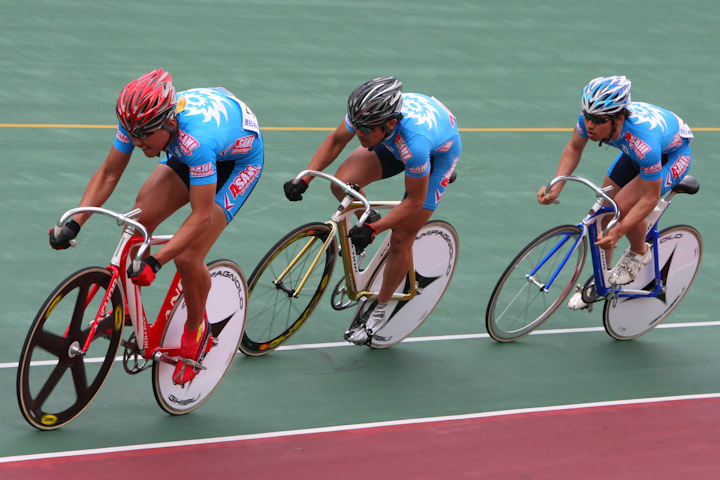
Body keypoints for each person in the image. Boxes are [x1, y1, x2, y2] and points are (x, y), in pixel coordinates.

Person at [48, 69, 264, 384]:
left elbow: (201, 215)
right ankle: (122, 312)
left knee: (188, 255)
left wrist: (155, 261)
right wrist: (74, 224)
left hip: (237, 162)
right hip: (199, 138)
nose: (136, 143)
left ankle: (196, 333)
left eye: (144, 137)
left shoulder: (195, 143)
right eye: (132, 135)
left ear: (169, 124)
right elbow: (109, 173)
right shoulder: (138, 122)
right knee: (138, 221)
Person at [283, 76, 461, 344]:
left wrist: (373, 230)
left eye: (366, 131)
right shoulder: (366, 115)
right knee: (343, 184)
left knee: (401, 238)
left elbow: (413, 201)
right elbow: (334, 141)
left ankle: (380, 308)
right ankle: (368, 218)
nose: (359, 135)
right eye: (358, 128)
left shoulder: (415, 144)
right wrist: (305, 178)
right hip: (393, 143)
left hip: (435, 157)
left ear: (390, 123)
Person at [537, 75, 692, 309]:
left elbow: (650, 197)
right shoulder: (591, 120)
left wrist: (619, 231)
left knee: (622, 207)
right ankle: (604, 279)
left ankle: (640, 252)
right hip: (635, 151)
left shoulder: (643, 144)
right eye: (587, 116)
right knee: (606, 208)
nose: (589, 124)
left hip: (670, 156)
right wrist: (556, 186)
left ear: (618, 118)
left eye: (597, 120)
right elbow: (573, 148)